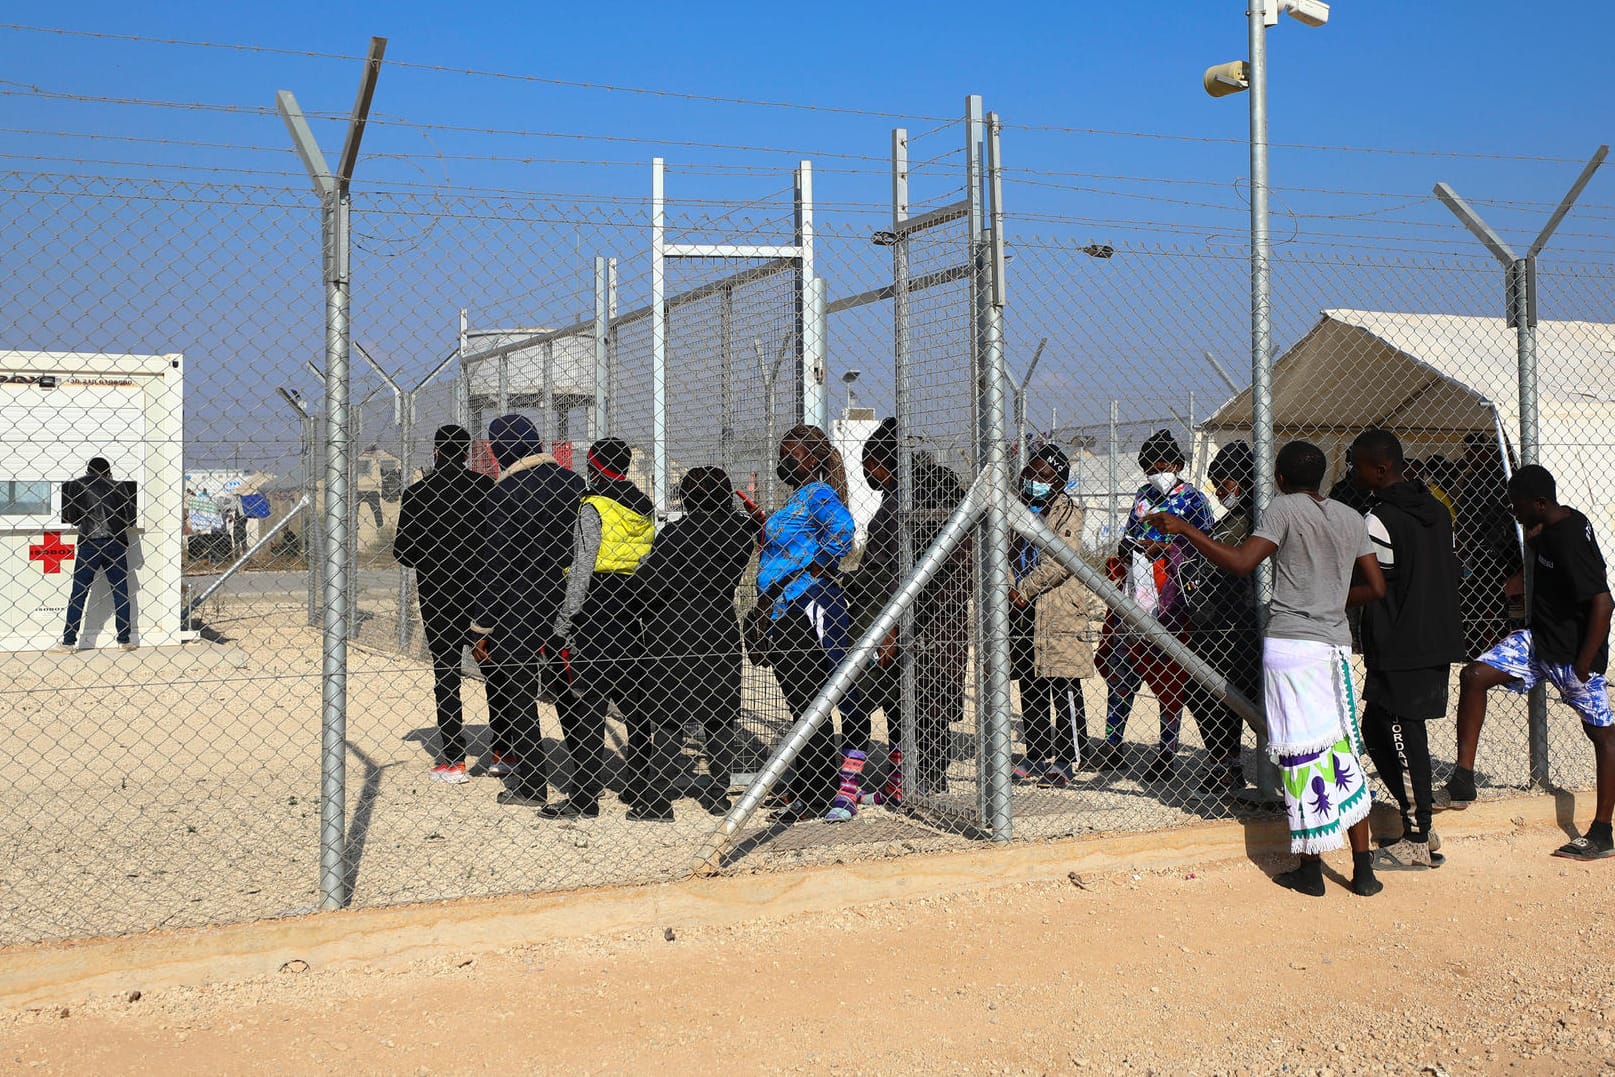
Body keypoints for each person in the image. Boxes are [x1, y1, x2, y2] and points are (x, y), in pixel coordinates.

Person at [1149, 440, 1387, 897]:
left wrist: (1184, 529)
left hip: (1291, 646)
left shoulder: (1282, 509)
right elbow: (1375, 587)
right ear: (1320, 477)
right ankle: (1363, 869)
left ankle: (1310, 870)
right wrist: (1330, 602)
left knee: (1300, 754)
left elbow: (1241, 562)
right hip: (1333, 646)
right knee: (1339, 751)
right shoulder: (1349, 517)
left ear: (1279, 478)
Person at [1440, 465, 1613, 860]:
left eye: (1517, 506)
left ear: (1539, 503)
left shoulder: (1567, 537)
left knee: (1603, 735)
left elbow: (1603, 602)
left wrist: (1585, 663)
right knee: (1474, 675)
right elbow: (1540, 548)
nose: (1512, 512)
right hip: (1539, 643)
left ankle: (1603, 831)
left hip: (1572, 655)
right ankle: (1464, 779)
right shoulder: (1553, 525)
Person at [1349, 430, 1464, 870]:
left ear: (1381, 469)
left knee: (1401, 733)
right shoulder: (1435, 510)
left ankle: (1417, 836)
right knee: (1380, 727)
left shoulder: (1378, 519)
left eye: (1359, 465)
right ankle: (1420, 820)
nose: (1354, 473)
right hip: (1434, 635)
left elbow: (1375, 581)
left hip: (1401, 640)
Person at [850, 419, 971, 804]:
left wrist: (875, 609)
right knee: (927, 695)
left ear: (885, 461)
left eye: (871, 464)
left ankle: (921, 779)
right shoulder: (905, 496)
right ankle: (921, 778)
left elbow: (886, 569)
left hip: (918, 611)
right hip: (936, 607)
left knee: (922, 695)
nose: (868, 473)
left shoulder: (906, 499)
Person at [470, 415, 586, 809]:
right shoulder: (574, 484)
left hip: (519, 605)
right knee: (571, 689)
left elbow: (495, 562)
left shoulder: (505, 493)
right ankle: (586, 776)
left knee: (518, 691)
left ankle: (531, 784)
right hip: (571, 600)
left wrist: (481, 626)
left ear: (502, 447)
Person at [633, 465, 759, 817]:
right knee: (720, 715)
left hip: (674, 630)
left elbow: (649, 583)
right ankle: (718, 796)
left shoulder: (677, 534)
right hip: (719, 625)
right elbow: (755, 526)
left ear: (687, 498)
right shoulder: (738, 533)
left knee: (670, 716)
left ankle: (658, 801)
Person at [755, 424, 863, 822]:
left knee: (815, 702)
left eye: (792, 454)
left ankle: (819, 792)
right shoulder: (797, 500)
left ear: (813, 459)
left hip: (808, 605)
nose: (785, 461)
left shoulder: (819, 493)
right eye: (783, 453)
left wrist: (817, 567)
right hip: (784, 608)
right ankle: (808, 789)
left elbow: (843, 530)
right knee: (801, 705)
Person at [1094, 429, 1214, 782]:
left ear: (1177, 465)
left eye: (1161, 464)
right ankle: (1114, 746)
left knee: (1168, 679)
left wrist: (1167, 550)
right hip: (1136, 592)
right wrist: (1135, 546)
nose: (1154, 471)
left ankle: (1166, 752)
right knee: (1121, 671)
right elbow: (1127, 536)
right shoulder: (1143, 496)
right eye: (1149, 466)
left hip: (1172, 597)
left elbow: (1205, 542)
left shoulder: (1193, 499)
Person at [552, 437, 658, 820]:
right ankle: (637, 782)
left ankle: (585, 797)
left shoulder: (592, 506)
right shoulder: (644, 506)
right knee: (634, 701)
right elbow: (646, 557)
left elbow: (582, 565)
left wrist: (564, 620)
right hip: (631, 604)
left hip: (596, 604)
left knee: (589, 702)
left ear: (594, 465)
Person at [393, 425, 493, 785]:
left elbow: (402, 551)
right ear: (467, 452)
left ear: (436, 452)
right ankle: (504, 751)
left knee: (446, 675)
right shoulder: (485, 489)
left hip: (438, 596)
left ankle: (453, 759)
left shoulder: (418, 494)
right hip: (482, 595)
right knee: (495, 671)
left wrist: (434, 556)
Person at [1009, 441, 1097, 788]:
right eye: (1031, 473)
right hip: (1023, 608)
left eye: (1043, 475)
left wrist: (1024, 588)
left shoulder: (1067, 512)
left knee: (1063, 683)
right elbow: (1006, 550)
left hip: (1056, 608)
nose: (1035, 480)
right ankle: (1035, 752)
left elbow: (1061, 560)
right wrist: (1013, 586)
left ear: (1058, 479)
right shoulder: (1020, 510)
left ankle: (1066, 757)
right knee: (1030, 684)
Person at [1183, 440, 1262, 793]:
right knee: (1206, 692)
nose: (1219, 490)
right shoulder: (1234, 516)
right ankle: (1224, 762)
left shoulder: (1255, 516)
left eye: (1225, 482)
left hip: (1237, 623)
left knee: (1225, 693)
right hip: (1214, 618)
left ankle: (1227, 764)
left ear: (1243, 479)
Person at [59, 457, 137, 651]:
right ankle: (124, 640)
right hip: (115, 543)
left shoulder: (77, 485)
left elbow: (72, 517)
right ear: (108, 472)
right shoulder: (120, 487)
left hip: (89, 542)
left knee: (79, 592)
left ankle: (69, 641)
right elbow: (129, 519)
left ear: (88, 472)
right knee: (120, 592)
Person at [1456, 431, 1523, 657]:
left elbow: (1493, 516)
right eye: (1469, 451)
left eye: (1476, 450)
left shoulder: (1497, 476)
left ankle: (1494, 644)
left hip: (1498, 549)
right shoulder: (1472, 478)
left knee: (1497, 599)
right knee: (1482, 598)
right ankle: (1483, 644)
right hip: (1481, 549)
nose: (1472, 456)